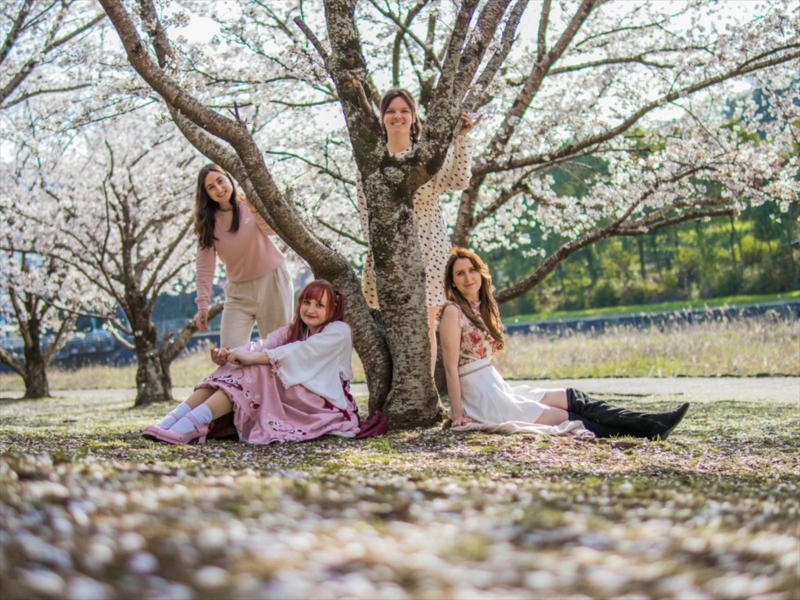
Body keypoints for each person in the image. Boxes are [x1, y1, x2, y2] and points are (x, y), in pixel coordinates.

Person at [438, 248, 690, 438]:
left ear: (480, 272)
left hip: (497, 385)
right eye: (460, 273)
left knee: (573, 397)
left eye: (472, 270)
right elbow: (450, 368)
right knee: (568, 418)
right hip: (483, 395)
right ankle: (649, 430)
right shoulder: (452, 312)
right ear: (453, 282)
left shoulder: (482, 308)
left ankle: (653, 422)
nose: (468, 277)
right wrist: (458, 414)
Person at [143, 280, 361, 445]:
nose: (311, 310)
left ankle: (191, 424)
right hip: (296, 392)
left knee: (257, 368)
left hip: (320, 401)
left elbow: (300, 351)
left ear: (332, 309)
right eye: (307, 302)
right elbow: (263, 345)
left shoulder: (338, 330)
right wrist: (230, 354)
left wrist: (252, 358)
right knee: (239, 364)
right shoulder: (295, 329)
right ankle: (173, 421)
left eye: (319, 305)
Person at [358, 88, 480, 370]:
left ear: (413, 117)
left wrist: (461, 139)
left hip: (430, 248)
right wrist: (380, 248)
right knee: (389, 326)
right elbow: (365, 210)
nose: (397, 116)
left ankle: (423, 387)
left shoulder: (426, 154)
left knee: (424, 324)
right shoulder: (372, 159)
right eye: (390, 111)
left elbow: (458, 180)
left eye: (404, 111)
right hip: (388, 251)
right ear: (382, 117)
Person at [194, 163, 293, 348]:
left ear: (229, 178)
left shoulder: (250, 204)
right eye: (211, 187)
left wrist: (254, 208)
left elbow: (272, 230)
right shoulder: (207, 224)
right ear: (206, 194)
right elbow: (204, 266)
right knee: (230, 353)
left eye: (220, 181)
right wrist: (203, 304)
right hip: (239, 293)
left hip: (273, 283)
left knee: (279, 350)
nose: (219, 189)